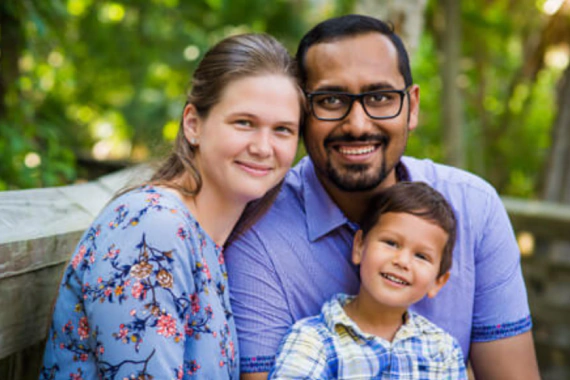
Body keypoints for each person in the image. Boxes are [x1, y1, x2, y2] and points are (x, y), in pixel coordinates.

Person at [225, 14, 540, 380]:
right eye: (330, 99)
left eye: (379, 97)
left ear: (412, 106)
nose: (358, 125)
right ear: (302, 112)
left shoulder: (474, 207)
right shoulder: (256, 234)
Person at [40, 33, 303, 380]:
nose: (263, 146)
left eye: (283, 130)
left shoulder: (208, 240)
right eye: (244, 122)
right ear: (193, 124)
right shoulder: (152, 226)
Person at [269, 182, 467, 379]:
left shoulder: (442, 351)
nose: (402, 261)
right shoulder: (313, 340)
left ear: (438, 282)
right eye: (391, 243)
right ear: (359, 247)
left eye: (421, 256)